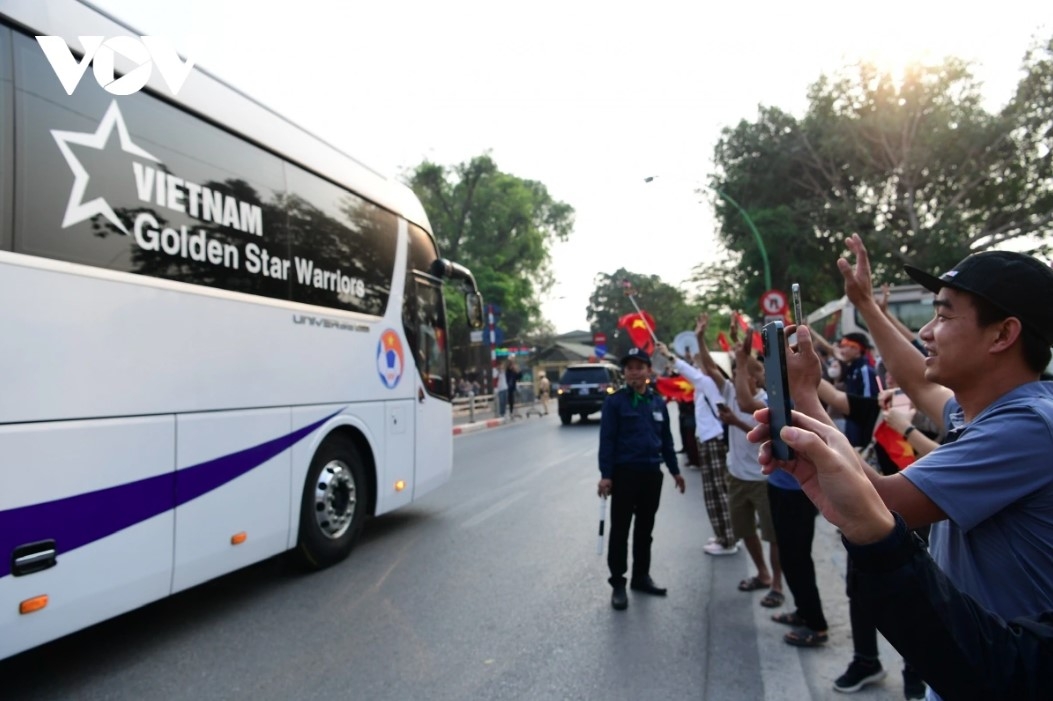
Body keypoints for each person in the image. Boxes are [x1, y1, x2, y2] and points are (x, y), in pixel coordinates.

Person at [773, 235, 1053, 697]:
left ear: (1003, 335)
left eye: (943, 316)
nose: (925, 332)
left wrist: (805, 396)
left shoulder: (1025, 429)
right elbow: (917, 381)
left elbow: (878, 504)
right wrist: (864, 303)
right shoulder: (990, 406)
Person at [750, 407, 1053, 700]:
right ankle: (870, 660)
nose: (928, 351)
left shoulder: (1028, 424)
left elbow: (1010, 670)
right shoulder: (973, 411)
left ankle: (909, 678)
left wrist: (903, 431)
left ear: (999, 350)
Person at [597, 347, 686, 610]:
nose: (634, 372)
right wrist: (606, 476)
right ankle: (618, 583)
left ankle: (640, 577)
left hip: (651, 475)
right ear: (624, 373)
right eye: (629, 368)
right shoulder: (615, 402)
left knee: (645, 530)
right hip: (625, 475)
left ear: (648, 371)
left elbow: (667, 441)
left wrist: (675, 471)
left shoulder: (657, 402)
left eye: (639, 367)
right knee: (620, 530)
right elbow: (607, 441)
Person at [661, 315, 738, 556]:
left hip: (712, 440)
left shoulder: (707, 381)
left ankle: (728, 539)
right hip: (708, 440)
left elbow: (689, 372)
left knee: (717, 491)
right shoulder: (708, 383)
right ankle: (723, 533)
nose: (698, 363)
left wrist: (668, 355)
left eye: (701, 361)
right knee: (713, 491)